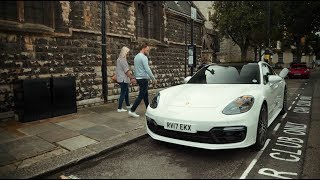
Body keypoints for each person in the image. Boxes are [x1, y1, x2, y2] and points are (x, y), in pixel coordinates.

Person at [128, 43, 157, 118]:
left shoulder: (136, 57)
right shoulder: (144, 57)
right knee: (141, 95)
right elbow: (147, 69)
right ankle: (132, 110)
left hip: (139, 78)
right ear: (143, 48)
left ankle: (148, 109)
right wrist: (153, 78)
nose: (148, 51)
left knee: (145, 95)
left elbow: (135, 68)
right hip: (143, 79)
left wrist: (135, 77)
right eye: (147, 49)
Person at [115, 46, 136, 112]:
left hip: (121, 78)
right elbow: (126, 71)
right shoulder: (123, 60)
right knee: (123, 93)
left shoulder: (119, 59)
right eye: (128, 52)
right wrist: (132, 78)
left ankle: (128, 105)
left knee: (126, 92)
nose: (128, 54)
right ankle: (119, 108)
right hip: (123, 79)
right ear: (125, 52)